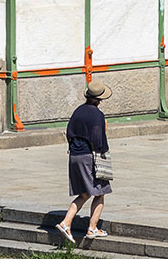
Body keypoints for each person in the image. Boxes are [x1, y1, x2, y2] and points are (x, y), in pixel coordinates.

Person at [56, 82, 112, 244]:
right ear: (100, 99)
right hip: (88, 156)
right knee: (100, 191)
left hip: (74, 155)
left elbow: (69, 133)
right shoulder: (98, 115)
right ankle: (91, 228)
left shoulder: (78, 110)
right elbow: (98, 140)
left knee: (85, 193)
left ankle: (67, 223)